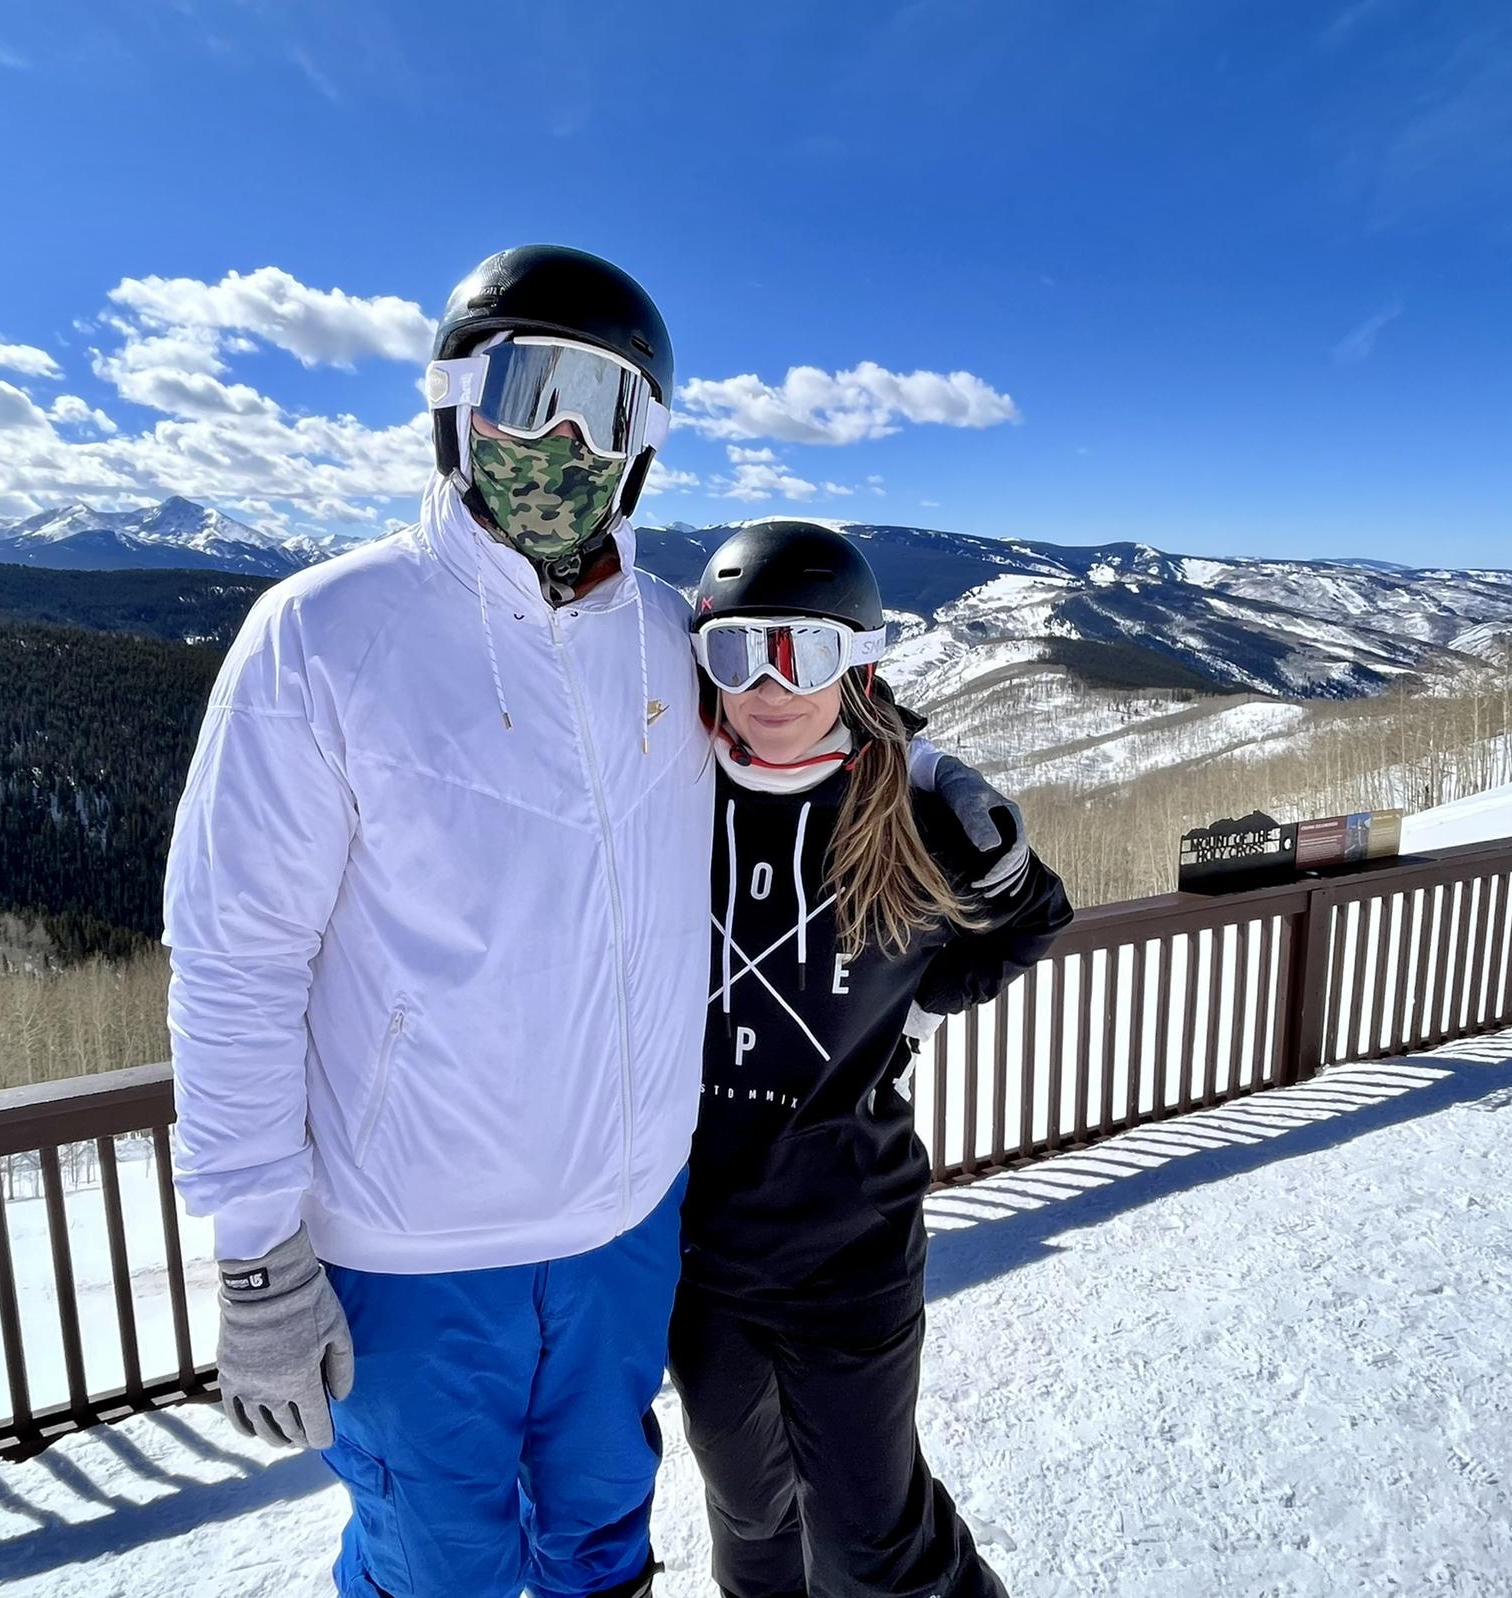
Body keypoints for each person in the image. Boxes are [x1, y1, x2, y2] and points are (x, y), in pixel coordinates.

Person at [164, 242, 1047, 1598]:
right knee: (441, 1559)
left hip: (627, 1227)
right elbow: (234, 961)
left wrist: (926, 783)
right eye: (529, 388)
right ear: (455, 399)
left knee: (599, 1538)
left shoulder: (662, 639)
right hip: (415, 1239)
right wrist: (256, 1246)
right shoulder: (322, 637)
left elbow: (808, 751)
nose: (562, 439)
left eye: (609, 406)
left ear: (646, 445)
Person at [672, 520, 1073, 1598]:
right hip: (696, 1256)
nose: (765, 685)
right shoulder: (661, 792)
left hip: (849, 1246)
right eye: (733, 651)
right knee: (750, 1521)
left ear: (858, 659)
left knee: (869, 1536)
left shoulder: (920, 813)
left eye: (799, 650)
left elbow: (1029, 915)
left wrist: (920, 1011)